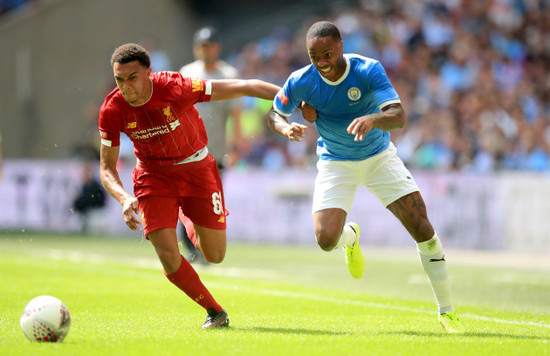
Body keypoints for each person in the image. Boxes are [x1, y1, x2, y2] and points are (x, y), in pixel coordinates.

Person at [267, 21, 463, 333]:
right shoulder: (301, 81)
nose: (321, 63)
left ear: (341, 47)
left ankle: (446, 311)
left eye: (327, 54)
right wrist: (285, 127)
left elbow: (398, 117)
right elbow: (275, 113)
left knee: (423, 229)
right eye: (314, 56)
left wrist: (373, 118)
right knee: (325, 239)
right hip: (335, 161)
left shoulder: (368, 70)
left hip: (378, 158)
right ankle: (351, 238)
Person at [98, 43, 281, 328]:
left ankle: (185, 212)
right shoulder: (112, 109)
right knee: (168, 255)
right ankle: (214, 311)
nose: (126, 87)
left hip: (196, 169)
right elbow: (107, 167)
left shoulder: (175, 87)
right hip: (153, 177)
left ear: (149, 72)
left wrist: (294, 98)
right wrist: (123, 198)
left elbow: (246, 86)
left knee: (215, 255)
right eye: (119, 80)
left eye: (132, 78)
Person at [178, 26, 243, 264]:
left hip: (214, 153)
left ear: (217, 47)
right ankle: (193, 250)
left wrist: (234, 148)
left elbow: (235, 115)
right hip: (185, 152)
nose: (206, 50)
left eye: (210, 45)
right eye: (202, 46)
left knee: (210, 204)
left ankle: (204, 250)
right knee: (185, 203)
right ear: (197, 48)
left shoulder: (228, 74)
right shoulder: (187, 73)